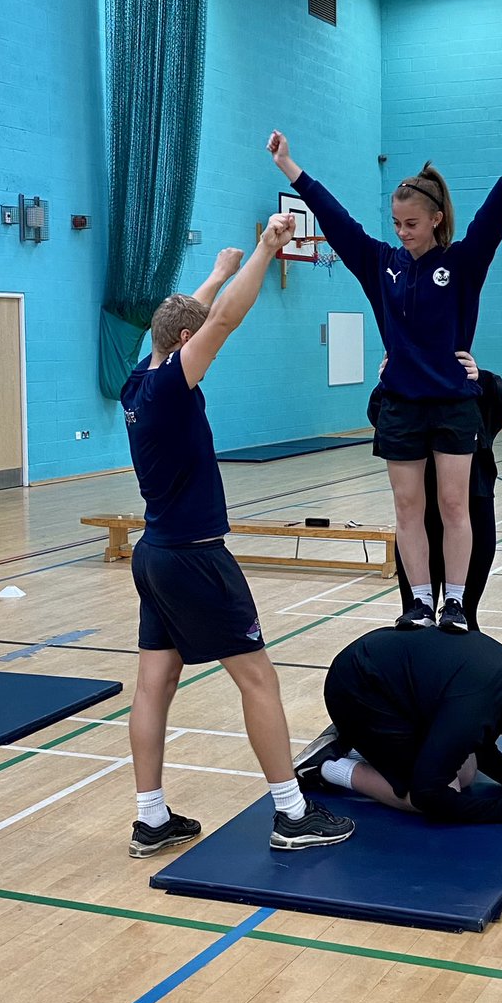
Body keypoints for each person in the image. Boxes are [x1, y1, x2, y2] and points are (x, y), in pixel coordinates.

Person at [120, 218, 355, 857]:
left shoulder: (138, 382)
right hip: (196, 559)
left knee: (153, 685)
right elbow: (221, 323)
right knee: (258, 680)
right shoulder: (170, 388)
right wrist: (263, 250)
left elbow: (175, 325)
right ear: (186, 342)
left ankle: (150, 817)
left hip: (154, 557)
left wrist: (217, 273)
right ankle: (290, 811)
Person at [267, 122, 502, 634]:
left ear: (437, 219)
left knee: (454, 504)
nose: (402, 231)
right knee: (407, 506)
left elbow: (494, 218)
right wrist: (290, 167)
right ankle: (419, 600)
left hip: (453, 405)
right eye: (396, 222)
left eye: (412, 223)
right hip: (400, 405)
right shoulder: (380, 264)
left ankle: (457, 604)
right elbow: (336, 220)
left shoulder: (463, 263)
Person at [294, 627, 502, 824]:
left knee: (466, 772)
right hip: (356, 690)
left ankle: (353, 744)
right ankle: (326, 766)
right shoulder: (473, 707)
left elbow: (479, 741)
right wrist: (498, 810)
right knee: (430, 793)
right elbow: (427, 794)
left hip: (388, 684)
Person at [368, 352, 502, 631]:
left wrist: (477, 376)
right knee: (415, 612)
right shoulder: (398, 392)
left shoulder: (477, 384)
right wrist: (389, 381)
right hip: (421, 514)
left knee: (462, 614)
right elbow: (381, 418)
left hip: (472, 506)